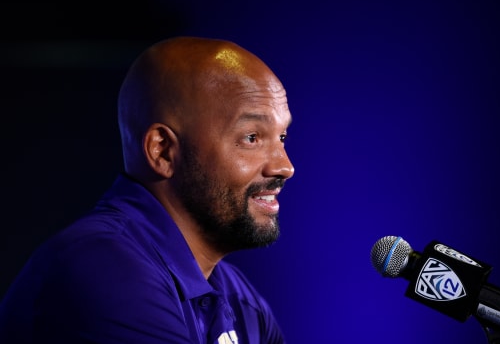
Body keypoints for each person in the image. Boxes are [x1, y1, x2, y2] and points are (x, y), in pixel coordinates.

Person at [0, 36, 295, 344]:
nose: (285, 167)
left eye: (282, 137)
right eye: (252, 137)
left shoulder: (238, 298)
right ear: (163, 151)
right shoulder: (104, 270)